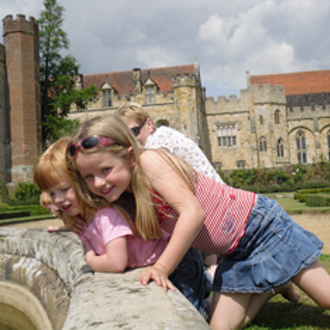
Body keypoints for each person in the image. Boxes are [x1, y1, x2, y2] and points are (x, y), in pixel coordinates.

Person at [67, 114, 330, 330]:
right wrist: (69, 218)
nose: (98, 183)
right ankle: (273, 285)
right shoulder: (126, 193)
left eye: (105, 170)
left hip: (260, 228)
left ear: (130, 156)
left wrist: (162, 267)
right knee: (219, 327)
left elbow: (192, 214)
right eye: (88, 176)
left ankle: (277, 275)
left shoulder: (150, 162)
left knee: (326, 297)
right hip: (235, 251)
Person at [34, 137, 209, 318]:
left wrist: (89, 258)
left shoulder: (106, 214)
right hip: (162, 261)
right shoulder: (86, 216)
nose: (57, 200)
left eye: (64, 189)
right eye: (51, 193)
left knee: (191, 315)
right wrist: (67, 222)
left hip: (178, 262)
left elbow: (116, 262)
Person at [117, 101, 220, 277]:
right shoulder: (159, 138)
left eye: (134, 132)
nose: (132, 141)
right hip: (205, 200)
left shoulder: (158, 140)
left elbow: (152, 167)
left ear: (149, 124)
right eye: (127, 137)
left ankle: (209, 273)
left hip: (213, 202)